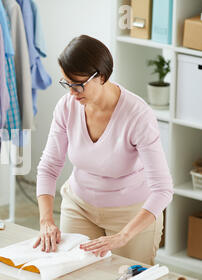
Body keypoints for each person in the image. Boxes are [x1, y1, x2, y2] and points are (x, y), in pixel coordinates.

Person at [33, 35, 173, 265]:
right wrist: (46, 219)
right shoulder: (67, 107)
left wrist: (123, 236)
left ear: (102, 77)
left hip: (130, 215)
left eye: (77, 84)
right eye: (66, 83)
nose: (71, 92)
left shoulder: (138, 115)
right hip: (80, 205)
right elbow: (49, 167)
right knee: (71, 276)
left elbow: (163, 189)